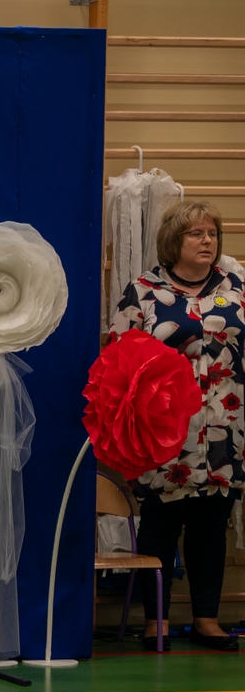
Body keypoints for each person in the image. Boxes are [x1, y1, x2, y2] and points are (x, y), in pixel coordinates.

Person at [111, 200, 244, 651]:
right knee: (161, 523)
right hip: (164, 427)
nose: (207, 241)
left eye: (212, 233)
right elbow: (119, 358)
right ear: (174, 241)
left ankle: (207, 620)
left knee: (212, 524)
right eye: (196, 234)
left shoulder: (236, 286)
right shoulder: (144, 291)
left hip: (226, 425)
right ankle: (157, 622)